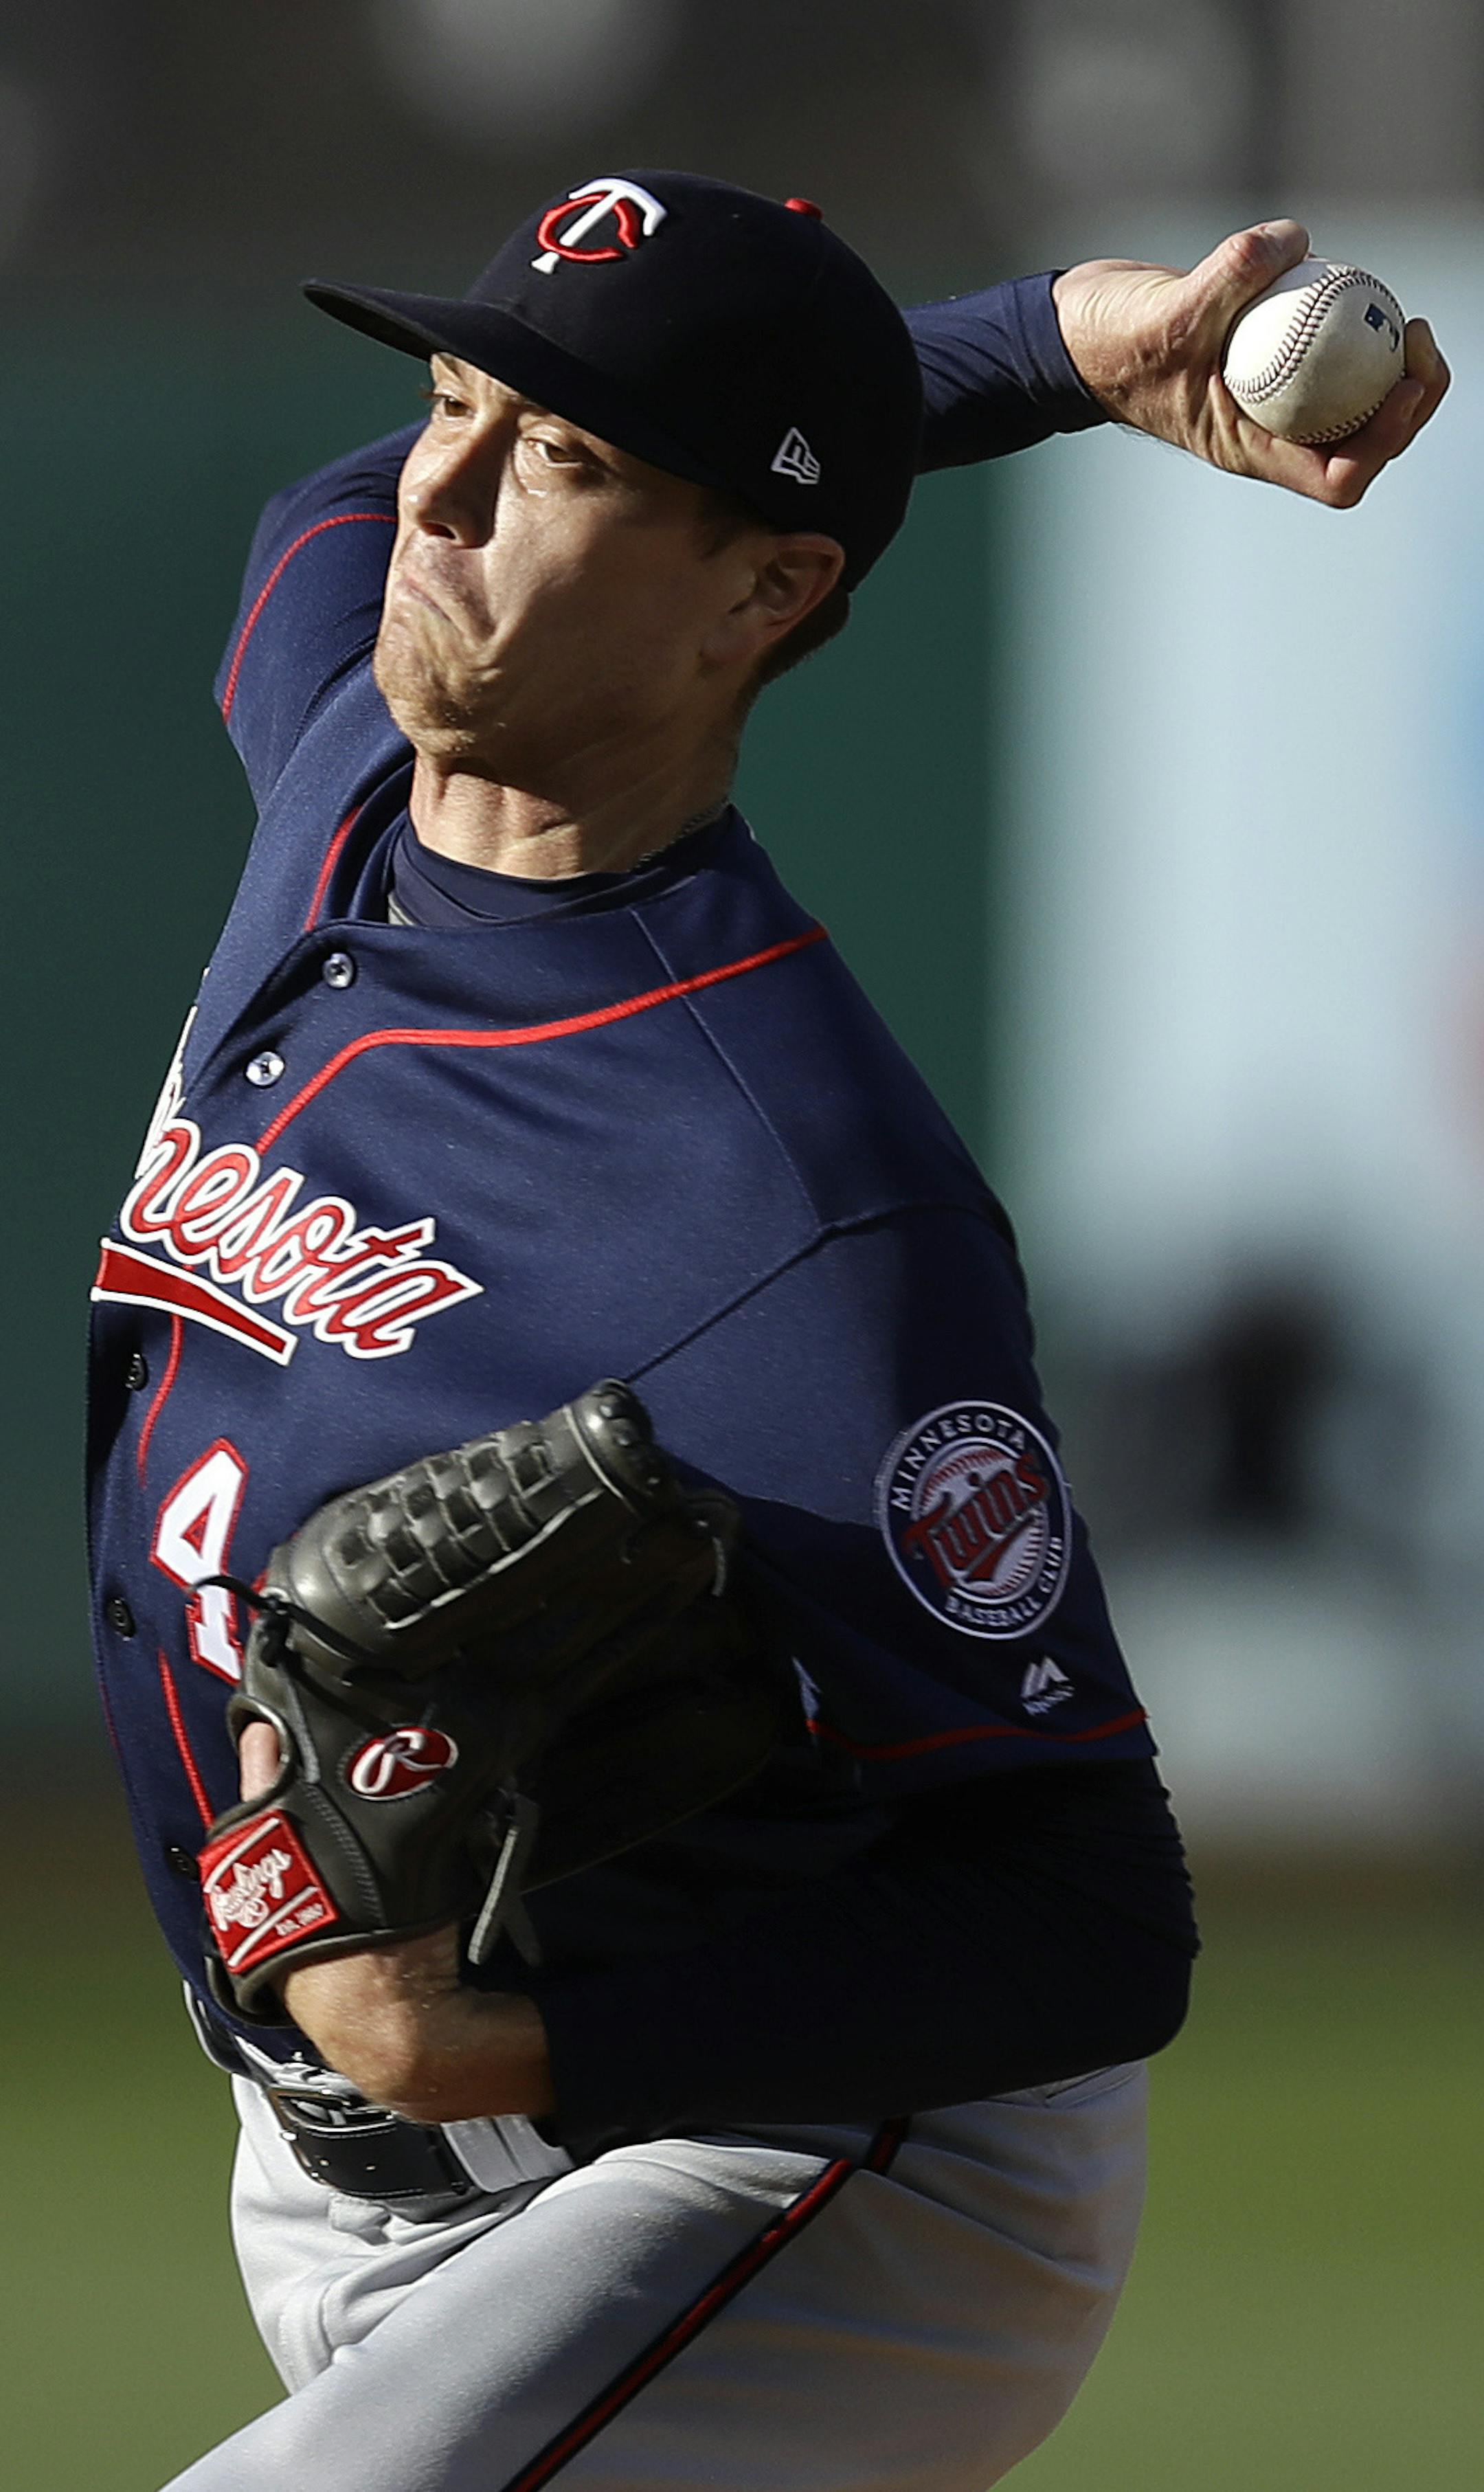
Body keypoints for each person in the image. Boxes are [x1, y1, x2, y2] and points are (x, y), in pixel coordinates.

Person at [86, 172, 1446, 2492]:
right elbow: (444, 479)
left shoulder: (797, 1198)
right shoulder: (353, 721)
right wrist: (1031, 342)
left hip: (805, 2171)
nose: (442, 485)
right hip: (362, 2156)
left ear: (772, 589)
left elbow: (1091, 1918)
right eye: (453, 397)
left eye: (566, 461)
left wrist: (497, 2036)